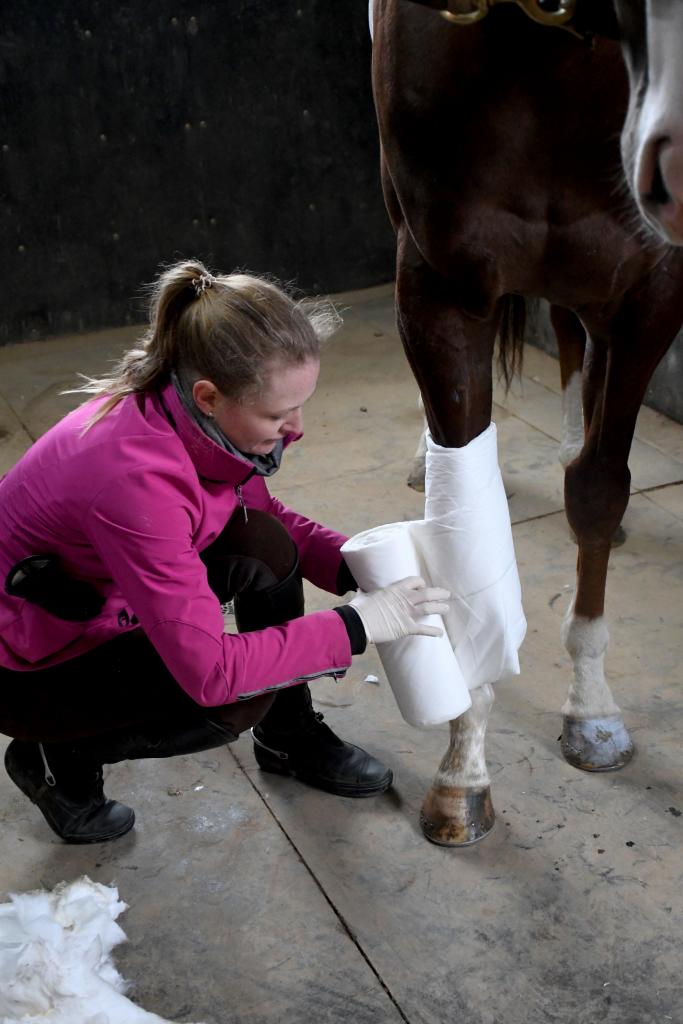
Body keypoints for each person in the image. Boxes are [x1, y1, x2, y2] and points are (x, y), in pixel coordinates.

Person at [0, 260, 450, 844]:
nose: (297, 428)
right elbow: (211, 674)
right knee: (228, 701)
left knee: (265, 544)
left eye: (301, 405)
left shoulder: (188, 414)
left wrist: (355, 567)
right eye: (278, 414)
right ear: (210, 396)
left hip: (92, 606)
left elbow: (261, 515)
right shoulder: (134, 480)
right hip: (29, 661)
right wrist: (357, 625)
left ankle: (288, 736)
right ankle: (57, 758)